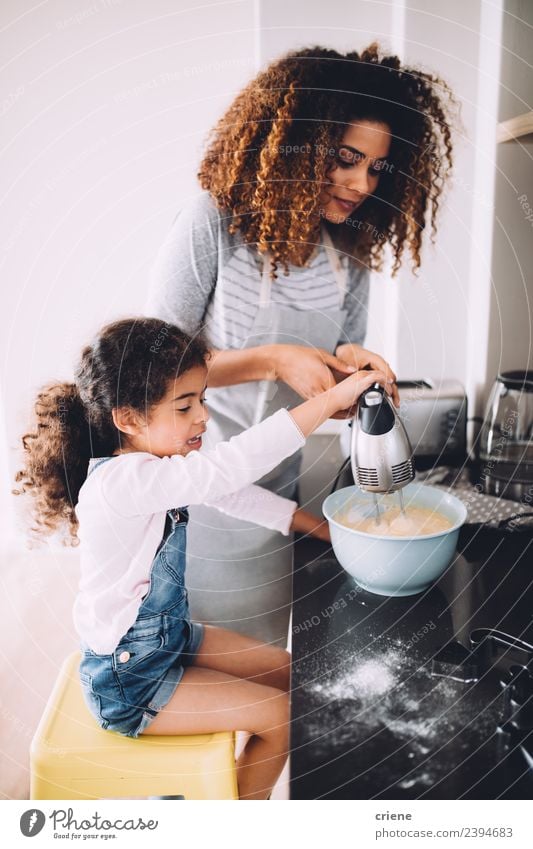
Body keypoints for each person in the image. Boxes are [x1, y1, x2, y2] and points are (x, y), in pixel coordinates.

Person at [146, 42, 456, 645]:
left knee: (259, 654)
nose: (361, 182)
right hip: (188, 487)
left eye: (376, 167)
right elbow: (152, 370)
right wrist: (271, 359)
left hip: (274, 490)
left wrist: (352, 368)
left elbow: (331, 363)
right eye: (345, 158)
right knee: (191, 657)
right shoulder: (212, 224)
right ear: (298, 146)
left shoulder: (349, 254)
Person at [15, 317, 392, 800]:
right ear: (128, 419)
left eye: (203, 398)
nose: (204, 416)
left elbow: (229, 492)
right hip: (128, 679)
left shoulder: (157, 467)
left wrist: (320, 528)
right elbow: (225, 470)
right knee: (281, 714)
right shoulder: (120, 484)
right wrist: (325, 404)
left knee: (292, 674)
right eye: (185, 404)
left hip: (167, 640)